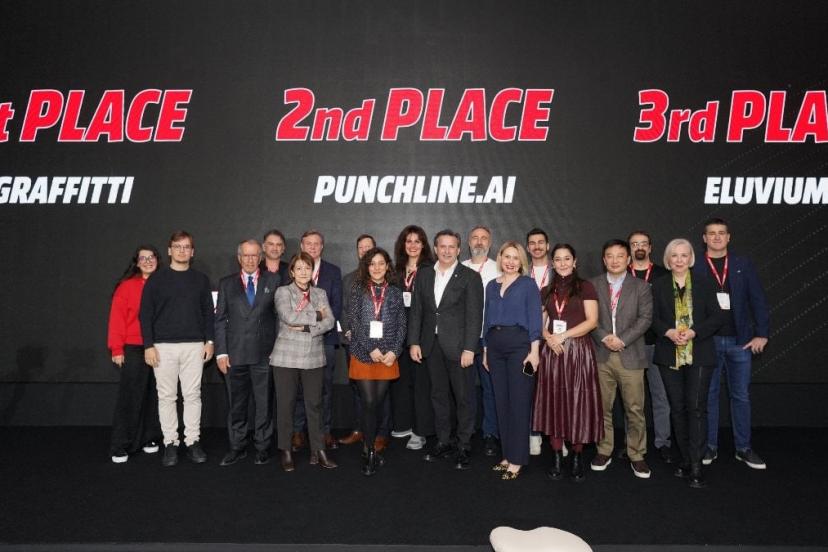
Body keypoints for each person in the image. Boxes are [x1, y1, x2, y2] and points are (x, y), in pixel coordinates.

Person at [695, 218, 769, 470]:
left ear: (728, 237)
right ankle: (710, 446)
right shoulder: (695, 265)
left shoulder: (742, 264)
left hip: (741, 341)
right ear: (704, 238)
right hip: (707, 342)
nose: (716, 237)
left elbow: (757, 299)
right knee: (709, 396)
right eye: (711, 233)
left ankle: (743, 448)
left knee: (741, 396)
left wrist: (762, 333)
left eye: (721, 233)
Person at [651, 238, 724, 488]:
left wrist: (694, 332)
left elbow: (718, 317)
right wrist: (669, 332)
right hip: (668, 352)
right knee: (677, 408)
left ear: (691, 258)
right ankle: (684, 458)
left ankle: (696, 462)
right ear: (668, 260)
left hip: (699, 352)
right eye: (674, 255)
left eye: (684, 255)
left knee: (696, 408)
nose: (679, 260)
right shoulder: (658, 285)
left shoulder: (705, 283)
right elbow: (652, 318)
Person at [409, 229, 484, 470]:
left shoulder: (470, 277)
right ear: (435, 248)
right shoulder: (424, 275)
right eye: (443, 246)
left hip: (459, 348)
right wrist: (414, 342)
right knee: (438, 395)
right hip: (431, 346)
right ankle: (443, 441)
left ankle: (464, 445)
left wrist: (470, 348)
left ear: (459, 250)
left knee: (463, 398)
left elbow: (475, 316)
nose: (447, 251)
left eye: (452, 246)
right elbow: (417, 311)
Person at [139, 231, 215, 467]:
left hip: (194, 346)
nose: (182, 251)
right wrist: (148, 345)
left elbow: (208, 314)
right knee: (167, 397)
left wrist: (210, 341)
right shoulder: (156, 280)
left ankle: (192, 441)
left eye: (186, 247)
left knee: (193, 396)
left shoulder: (201, 280)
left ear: (192, 252)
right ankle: (170, 443)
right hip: (163, 347)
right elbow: (145, 315)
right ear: (170, 250)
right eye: (177, 247)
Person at [533, 243, 601, 482]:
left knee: (577, 403)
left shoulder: (585, 287)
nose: (562, 263)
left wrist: (563, 335)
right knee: (554, 403)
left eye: (567, 258)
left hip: (578, 352)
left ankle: (576, 456)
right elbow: (538, 322)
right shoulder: (546, 290)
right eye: (558, 259)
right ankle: (556, 456)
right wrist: (548, 337)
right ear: (553, 263)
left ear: (575, 261)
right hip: (552, 352)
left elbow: (592, 321)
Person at [589, 239, 654, 479]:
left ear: (628, 259)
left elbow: (645, 319)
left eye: (620, 256)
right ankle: (604, 450)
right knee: (602, 407)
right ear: (604, 259)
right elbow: (589, 317)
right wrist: (605, 337)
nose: (614, 260)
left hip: (631, 355)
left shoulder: (641, 286)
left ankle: (636, 454)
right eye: (610, 256)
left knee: (635, 409)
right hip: (602, 354)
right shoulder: (592, 285)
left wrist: (622, 340)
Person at [215, 239, 281, 466]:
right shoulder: (226, 284)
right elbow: (220, 320)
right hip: (234, 356)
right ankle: (237, 446)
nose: (250, 260)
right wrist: (221, 353)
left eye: (254, 255)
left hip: (265, 354)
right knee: (237, 404)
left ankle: (262, 446)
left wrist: (277, 349)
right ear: (239, 258)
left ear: (260, 258)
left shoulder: (274, 280)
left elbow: (279, 318)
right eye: (246, 255)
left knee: (264, 404)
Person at [271, 252, 337, 471]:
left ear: (312, 271)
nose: (303, 272)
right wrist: (317, 315)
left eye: (307, 268)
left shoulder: (320, 293)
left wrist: (308, 327)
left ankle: (319, 450)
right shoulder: (283, 292)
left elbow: (331, 321)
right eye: (298, 268)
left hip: (314, 356)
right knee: (286, 405)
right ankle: (286, 450)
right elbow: (289, 317)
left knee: (314, 405)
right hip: (286, 357)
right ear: (292, 272)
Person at [482, 242, 541, 479]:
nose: (511, 262)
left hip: (520, 346)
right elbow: (486, 319)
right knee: (501, 402)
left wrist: (534, 352)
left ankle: (517, 459)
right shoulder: (491, 285)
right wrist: (485, 350)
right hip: (494, 347)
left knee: (519, 402)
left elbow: (535, 318)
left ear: (521, 262)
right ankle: (507, 455)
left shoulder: (528, 284)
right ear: (500, 258)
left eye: (516, 258)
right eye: (507, 256)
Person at [347, 247, 407, 475]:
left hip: (388, 357)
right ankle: (369, 449)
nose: (377, 267)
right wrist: (370, 348)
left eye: (381, 263)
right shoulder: (358, 289)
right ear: (367, 267)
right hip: (364, 354)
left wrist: (395, 351)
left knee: (378, 403)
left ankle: (370, 445)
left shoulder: (395, 292)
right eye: (372, 263)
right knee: (369, 402)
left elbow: (402, 324)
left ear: (387, 266)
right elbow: (354, 322)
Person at [107, 245, 163, 463]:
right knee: (130, 396)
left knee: (155, 395)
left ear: (158, 260)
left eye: (151, 257)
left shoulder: (164, 284)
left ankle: (150, 438)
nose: (148, 261)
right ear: (137, 263)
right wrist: (117, 348)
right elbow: (117, 319)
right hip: (134, 347)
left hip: (161, 347)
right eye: (143, 258)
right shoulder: (126, 287)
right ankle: (120, 445)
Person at [339, 234, 393, 453]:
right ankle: (361, 429)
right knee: (359, 391)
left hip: (385, 348)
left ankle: (381, 433)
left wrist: (391, 348)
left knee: (381, 394)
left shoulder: (390, 285)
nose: (364, 251)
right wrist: (350, 332)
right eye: (360, 248)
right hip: (357, 344)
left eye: (368, 247)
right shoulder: (350, 280)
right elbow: (344, 310)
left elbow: (397, 320)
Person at [292, 230, 342, 451]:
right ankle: (298, 430)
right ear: (302, 246)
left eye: (316, 244)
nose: (312, 247)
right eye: (308, 243)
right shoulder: (291, 270)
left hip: (325, 339)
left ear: (322, 247)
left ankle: (324, 430)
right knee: (299, 388)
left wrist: (313, 328)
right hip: (297, 341)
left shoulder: (333, 271)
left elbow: (336, 307)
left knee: (325, 388)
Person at [628, 230, 673, 464]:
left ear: (650, 247)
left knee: (660, 395)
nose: (639, 247)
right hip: (629, 346)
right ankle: (632, 444)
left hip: (657, 344)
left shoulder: (663, 275)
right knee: (630, 400)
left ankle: (663, 442)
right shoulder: (622, 273)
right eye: (634, 244)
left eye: (643, 243)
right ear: (629, 248)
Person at [390, 225, 435, 451]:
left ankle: (420, 430)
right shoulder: (396, 270)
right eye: (409, 241)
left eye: (418, 241)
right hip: (399, 332)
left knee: (421, 384)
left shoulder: (430, 269)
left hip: (421, 334)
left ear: (424, 245)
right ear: (403, 244)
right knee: (402, 381)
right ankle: (404, 423)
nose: (413, 245)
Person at [461, 225, 501, 457]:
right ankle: (465, 434)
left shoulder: (499, 268)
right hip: (464, 339)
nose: (479, 242)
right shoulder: (460, 268)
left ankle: (490, 434)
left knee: (490, 389)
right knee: (464, 390)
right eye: (475, 238)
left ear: (490, 242)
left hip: (490, 338)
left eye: (483, 238)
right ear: (468, 242)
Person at [525, 228, 557, 457]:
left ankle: (557, 436)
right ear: (528, 248)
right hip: (526, 340)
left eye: (540, 242)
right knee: (529, 389)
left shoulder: (560, 271)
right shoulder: (520, 271)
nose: (537, 246)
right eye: (532, 243)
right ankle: (533, 434)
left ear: (547, 246)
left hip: (555, 340)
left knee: (554, 390)